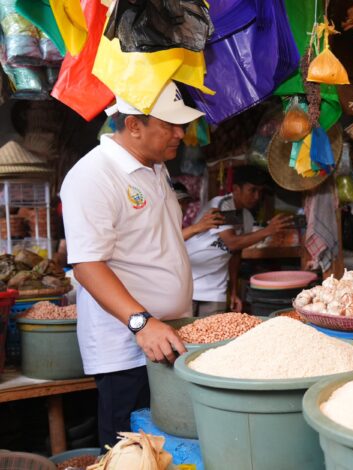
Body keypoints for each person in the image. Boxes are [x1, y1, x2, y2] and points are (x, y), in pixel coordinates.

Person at [60, 81, 202, 449]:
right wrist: (141, 323)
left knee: (168, 447)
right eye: (169, 125)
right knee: (130, 451)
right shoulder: (93, 175)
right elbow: (87, 265)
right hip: (127, 348)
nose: (180, 133)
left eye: (181, 124)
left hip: (168, 336)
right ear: (133, 125)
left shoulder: (155, 167)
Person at [185, 166, 294, 316]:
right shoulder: (222, 204)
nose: (257, 196)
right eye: (252, 190)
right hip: (191, 282)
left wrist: (234, 292)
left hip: (216, 289)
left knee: (212, 336)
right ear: (236, 189)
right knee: (185, 334)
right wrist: (268, 230)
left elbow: (235, 254)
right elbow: (231, 242)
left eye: (260, 192)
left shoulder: (247, 217)